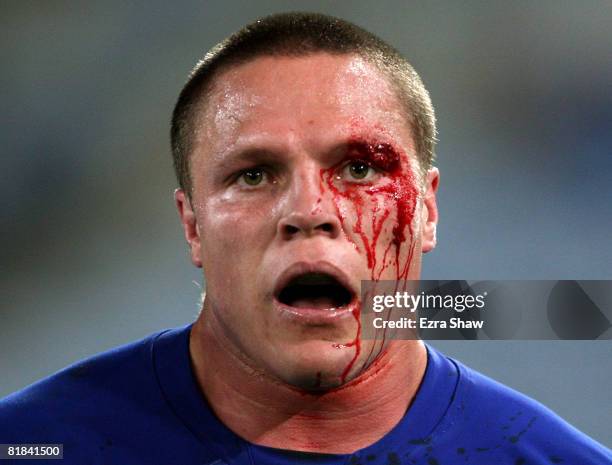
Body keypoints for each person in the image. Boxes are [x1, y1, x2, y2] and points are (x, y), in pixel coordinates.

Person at [0, 12, 610, 465]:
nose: (310, 210)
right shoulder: (32, 443)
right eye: (255, 174)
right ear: (192, 226)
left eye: (360, 169)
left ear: (427, 209)